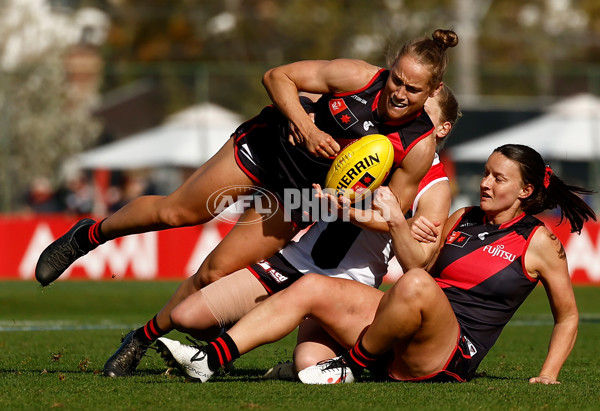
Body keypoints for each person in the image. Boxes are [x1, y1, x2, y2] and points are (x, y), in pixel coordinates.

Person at [35, 29, 459, 296]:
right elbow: (278, 77)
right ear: (390, 70)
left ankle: (144, 341)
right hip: (269, 146)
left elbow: (387, 214)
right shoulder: (358, 76)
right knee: (176, 211)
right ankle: (86, 236)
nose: (399, 93)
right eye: (397, 80)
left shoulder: (418, 145)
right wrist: (304, 124)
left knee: (215, 272)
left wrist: (346, 207)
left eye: (413, 89)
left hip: (298, 197)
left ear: (433, 91)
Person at [156, 144, 596, 385]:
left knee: (418, 286)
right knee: (312, 285)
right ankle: (209, 360)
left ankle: (354, 365)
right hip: (407, 319)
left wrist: (548, 375)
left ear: (523, 191)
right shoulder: (463, 218)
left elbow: (568, 315)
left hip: (447, 354)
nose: (484, 182)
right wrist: (396, 223)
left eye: (498, 178)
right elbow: (413, 262)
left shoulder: (539, 242)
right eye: (484, 172)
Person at [101, 85, 461, 377]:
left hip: (347, 287)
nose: (410, 117)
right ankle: (188, 340)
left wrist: (389, 220)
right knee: (188, 316)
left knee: (309, 364)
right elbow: (315, 98)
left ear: (441, 129)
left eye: (424, 115)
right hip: (298, 258)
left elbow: (418, 262)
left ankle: (215, 360)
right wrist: (302, 120)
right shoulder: (369, 143)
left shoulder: (434, 186)